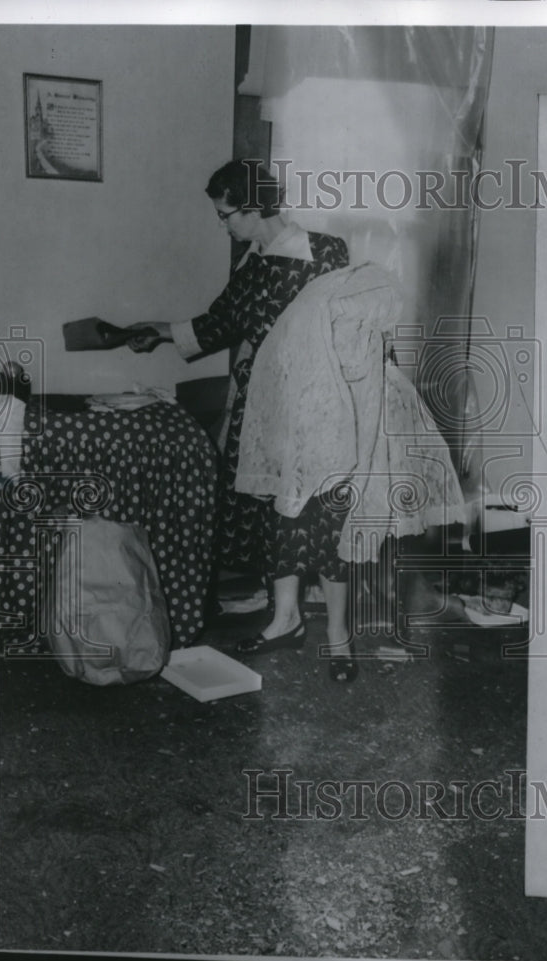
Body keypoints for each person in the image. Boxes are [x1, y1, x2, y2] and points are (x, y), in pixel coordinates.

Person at [127, 159, 349, 620]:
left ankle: (309, 613)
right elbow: (219, 323)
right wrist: (157, 332)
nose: (222, 224)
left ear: (251, 207)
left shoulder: (326, 251)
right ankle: (280, 606)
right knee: (268, 505)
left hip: (314, 401)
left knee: (312, 505)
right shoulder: (251, 263)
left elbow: (351, 324)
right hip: (264, 402)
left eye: (225, 215)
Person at [235, 262, 471, 681]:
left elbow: (378, 420)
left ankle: (338, 634)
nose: (362, 334)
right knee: (288, 526)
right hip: (309, 439)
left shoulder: (374, 360)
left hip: (353, 460)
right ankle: (284, 619)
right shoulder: (309, 343)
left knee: (334, 537)